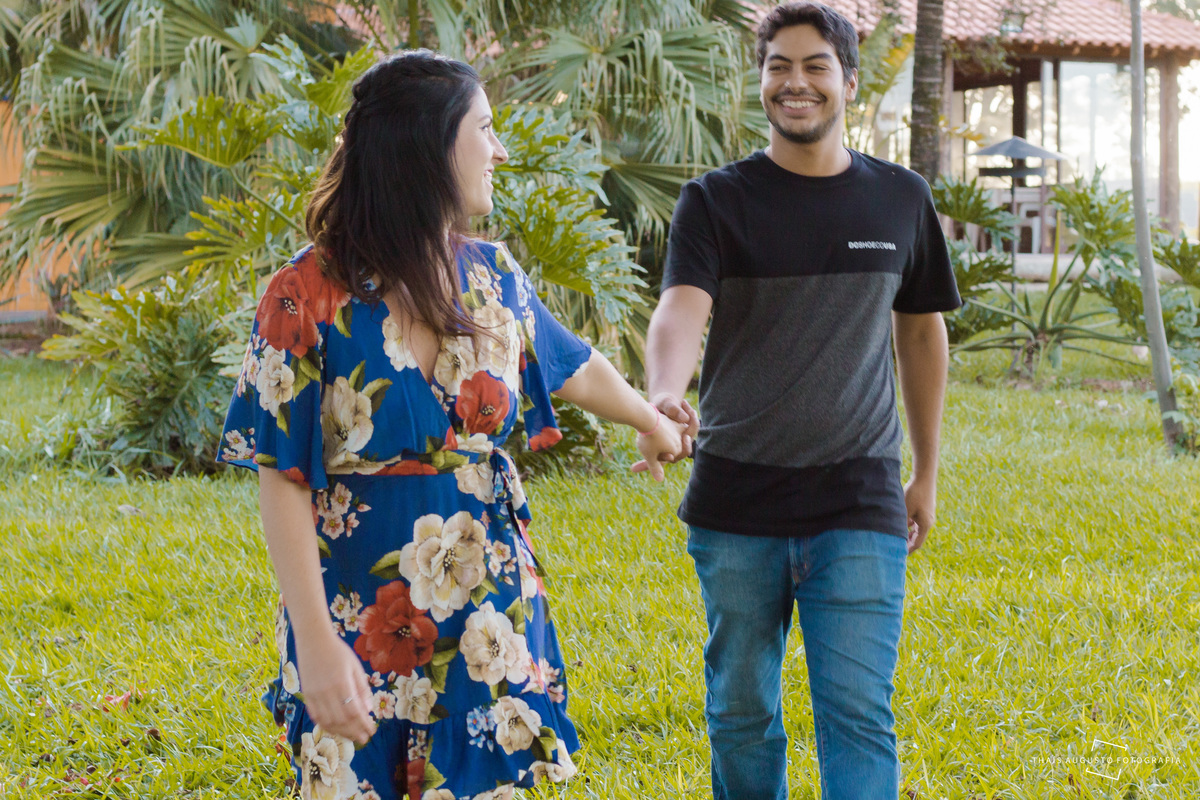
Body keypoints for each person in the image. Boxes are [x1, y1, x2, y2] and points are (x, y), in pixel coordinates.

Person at [218, 50, 685, 800]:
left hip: (485, 602)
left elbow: (567, 360)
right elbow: (283, 479)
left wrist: (649, 419)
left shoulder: (492, 274)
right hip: (355, 609)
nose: (499, 150)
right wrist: (314, 640)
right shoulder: (302, 293)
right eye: (485, 129)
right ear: (429, 148)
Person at [644, 3, 962, 798]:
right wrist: (662, 396)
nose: (796, 82)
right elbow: (680, 310)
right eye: (778, 65)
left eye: (816, 66)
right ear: (760, 81)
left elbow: (921, 334)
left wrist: (926, 471)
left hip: (858, 497)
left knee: (857, 714)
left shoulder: (900, 198)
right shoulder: (715, 201)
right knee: (740, 711)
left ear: (849, 83)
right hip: (735, 501)